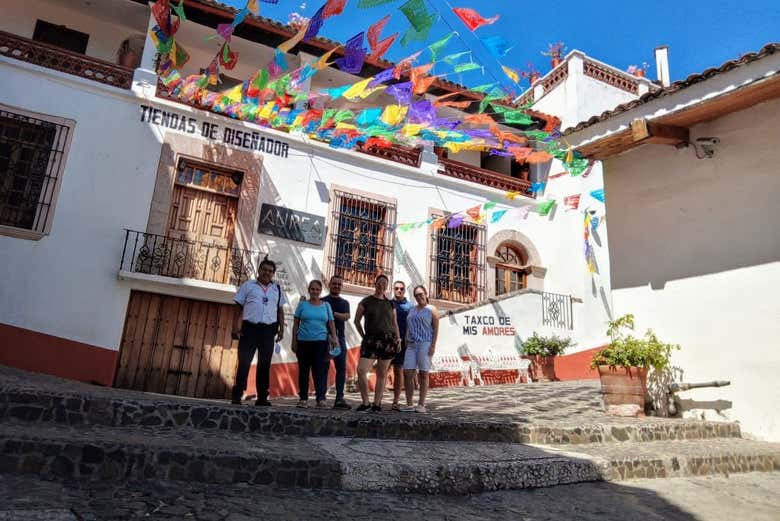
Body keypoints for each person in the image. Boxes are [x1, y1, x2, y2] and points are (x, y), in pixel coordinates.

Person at [232, 256, 286, 406]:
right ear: (259, 270)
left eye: (270, 271)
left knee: (264, 364)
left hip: (268, 331)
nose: (267, 273)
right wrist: (235, 326)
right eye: (264, 270)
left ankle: (262, 397)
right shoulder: (248, 286)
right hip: (250, 329)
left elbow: (280, 311)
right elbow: (238, 307)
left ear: (273, 273)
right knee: (244, 362)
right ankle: (237, 395)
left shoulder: (277, 289)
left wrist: (281, 329)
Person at [353, 274, 401, 413]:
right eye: (379, 282)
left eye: (384, 283)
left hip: (388, 340)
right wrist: (364, 336)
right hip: (371, 340)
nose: (382, 285)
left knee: (382, 373)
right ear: (375, 284)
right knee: (361, 370)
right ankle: (365, 402)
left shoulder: (390, 303)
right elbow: (356, 321)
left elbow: (394, 323)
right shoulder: (366, 301)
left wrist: (398, 339)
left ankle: (377, 404)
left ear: (387, 286)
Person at [292, 280, 338, 408]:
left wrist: (334, 338)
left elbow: (331, 323)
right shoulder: (302, 305)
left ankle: (320, 398)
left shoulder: (326, 306)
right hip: (303, 342)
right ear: (309, 290)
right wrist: (294, 341)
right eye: (312, 289)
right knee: (304, 371)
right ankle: (303, 399)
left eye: (317, 289)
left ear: (320, 291)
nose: (315, 291)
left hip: (320, 343)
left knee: (320, 371)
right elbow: (296, 323)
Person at [401, 285, 439, 413]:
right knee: (407, 373)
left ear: (426, 294)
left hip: (425, 344)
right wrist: (406, 338)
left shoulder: (431, 309)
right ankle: (409, 404)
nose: (419, 297)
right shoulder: (412, 309)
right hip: (411, 345)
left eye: (421, 294)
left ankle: (421, 404)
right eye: (416, 295)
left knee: (423, 373)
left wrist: (433, 345)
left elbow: (436, 329)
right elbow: (408, 325)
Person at [322, 275, 352, 410]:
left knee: (341, 368)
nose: (336, 286)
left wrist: (332, 313)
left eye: (339, 284)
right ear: (329, 284)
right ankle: (321, 397)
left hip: (339, 339)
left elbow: (346, 316)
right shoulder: (322, 301)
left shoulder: (345, 303)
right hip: (323, 338)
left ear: (342, 287)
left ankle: (339, 398)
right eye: (334, 284)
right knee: (323, 367)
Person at [390, 280, 412, 411]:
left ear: (404, 290)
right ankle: (377, 400)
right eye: (397, 288)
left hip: (402, 342)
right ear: (393, 289)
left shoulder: (409, 307)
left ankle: (396, 401)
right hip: (387, 341)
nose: (399, 290)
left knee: (398, 371)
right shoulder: (388, 303)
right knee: (383, 370)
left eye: (401, 289)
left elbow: (411, 325)